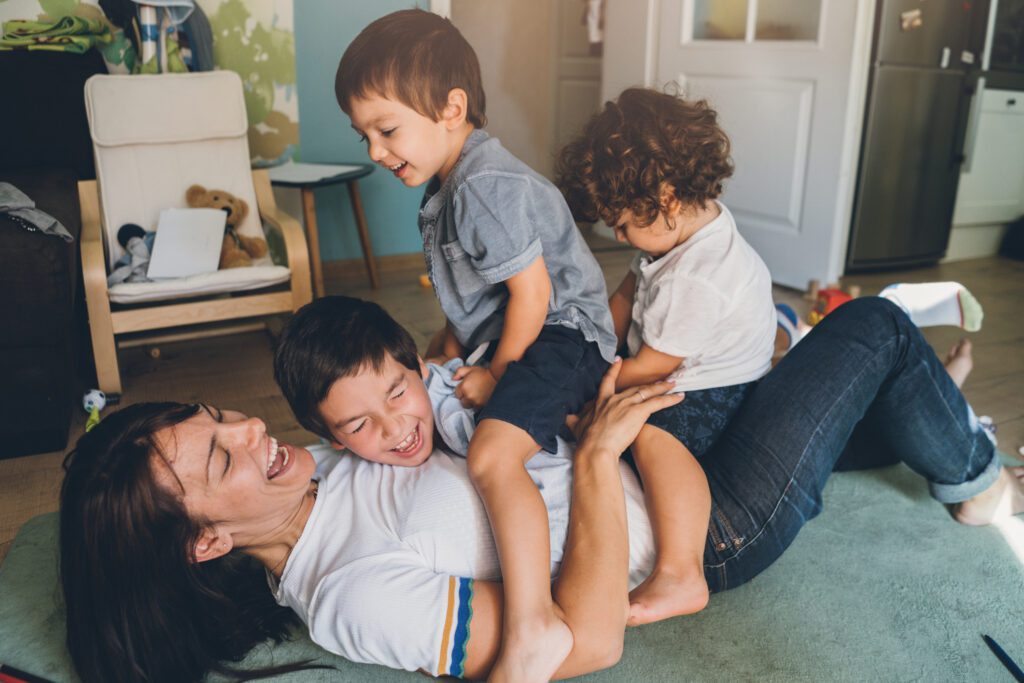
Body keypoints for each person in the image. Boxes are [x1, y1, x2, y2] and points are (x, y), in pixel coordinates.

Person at [60, 297, 1020, 683]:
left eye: (219, 418)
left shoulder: (338, 468)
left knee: (772, 369)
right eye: (223, 458)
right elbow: (582, 638)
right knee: (877, 330)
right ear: (205, 543)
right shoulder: (351, 594)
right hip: (705, 522)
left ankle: (922, 405)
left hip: (646, 451)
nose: (250, 430)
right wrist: (599, 458)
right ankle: (981, 480)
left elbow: (434, 393)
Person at [334, 10, 618, 680]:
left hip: (563, 335)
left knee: (492, 451)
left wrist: (494, 372)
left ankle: (532, 627)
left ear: (451, 108)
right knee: (446, 401)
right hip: (523, 328)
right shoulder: (447, 184)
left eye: (387, 129)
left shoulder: (484, 187)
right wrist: (447, 350)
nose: (374, 150)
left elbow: (533, 298)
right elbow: (473, 297)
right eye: (364, 134)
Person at [555, 87, 777, 624]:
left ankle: (681, 572)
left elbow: (654, 369)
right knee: (595, 406)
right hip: (674, 356)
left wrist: (596, 389)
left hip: (710, 385)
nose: (618, 232)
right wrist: (590, 341)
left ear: (668, 201)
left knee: (651, 432)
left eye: (624, 223)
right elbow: (628, 296)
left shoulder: (699, 277)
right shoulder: (673, 233)